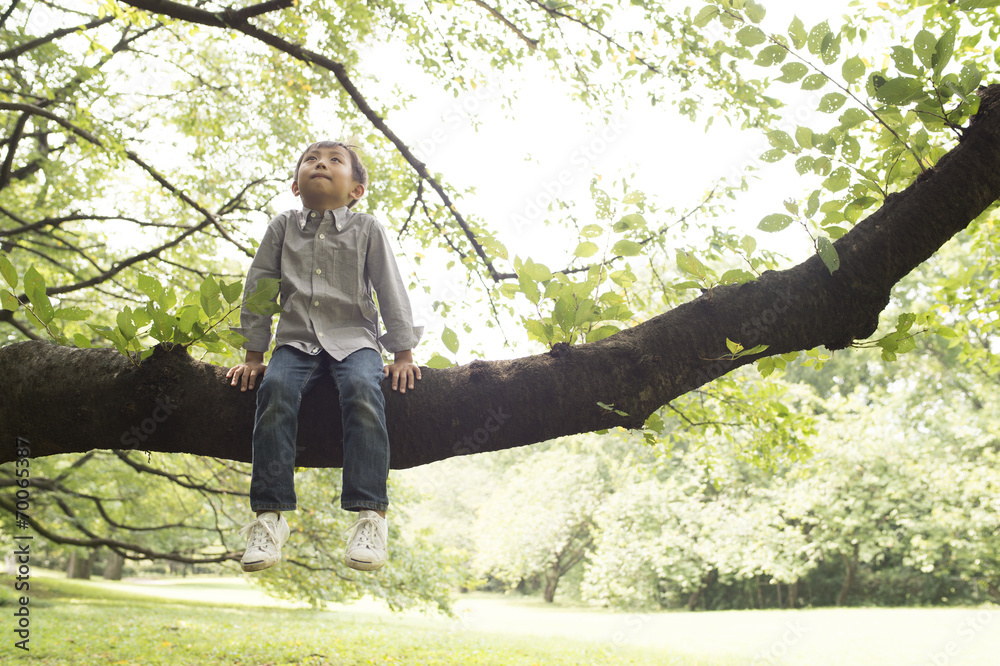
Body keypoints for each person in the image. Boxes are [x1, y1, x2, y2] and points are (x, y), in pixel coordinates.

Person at [226, 140, 422, 573]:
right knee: (274, 391)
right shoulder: (281, 228)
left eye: (335, 161)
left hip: (356, 342)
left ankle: (371, 516)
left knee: (362, 389)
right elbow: (259, 289)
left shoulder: (367, 229)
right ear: (295, 185)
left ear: (356, 189)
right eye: (310, 160)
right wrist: (254, 355)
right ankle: (269, 518)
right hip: (294, 342)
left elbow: (390, 288)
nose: (321, 165)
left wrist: (403, 353)